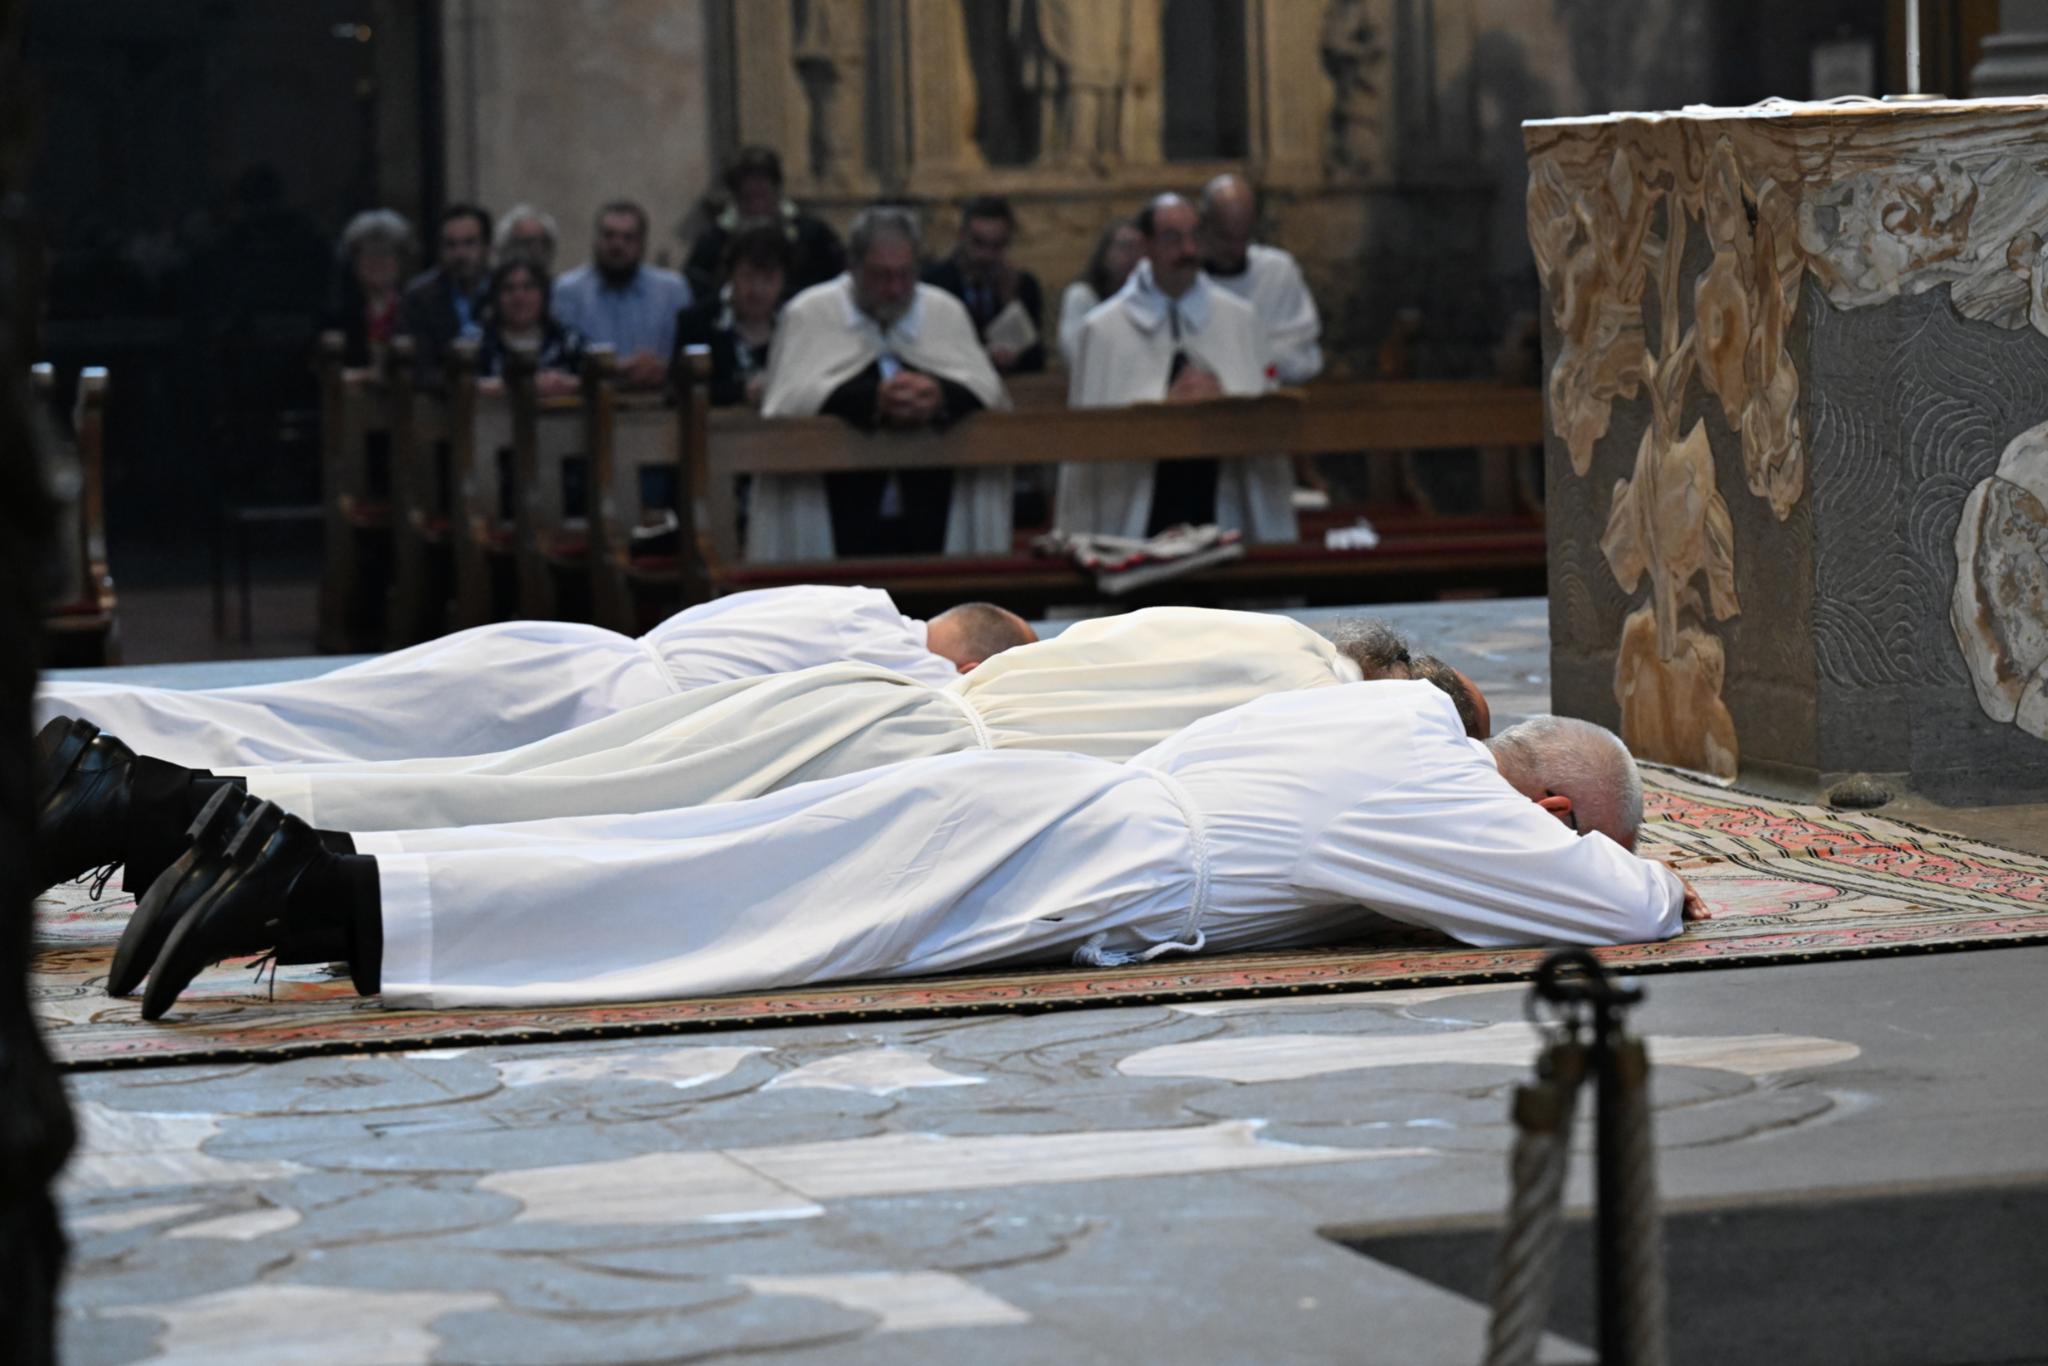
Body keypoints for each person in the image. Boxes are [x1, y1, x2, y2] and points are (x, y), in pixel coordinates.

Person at [114, 683, 1702, 1020]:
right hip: (1066, 857)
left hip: (1037, 804)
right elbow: (1611, 913)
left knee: (692, 863)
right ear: (1547, 806)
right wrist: (1669, 876)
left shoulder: (1380, 717)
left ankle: (306, 871)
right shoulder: (1444, 793)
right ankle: (311, 884)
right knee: (710, 915)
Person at [42, 610, 1464, 900]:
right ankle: (156, 803)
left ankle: (150, 796)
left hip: (872, 707)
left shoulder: (1251, 624)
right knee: (524, 821)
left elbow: (1028, 655)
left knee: (520, 796)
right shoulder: (1329, 713)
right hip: (895, 756)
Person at [34, 588, 1025, 771]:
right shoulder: (910, 683)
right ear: (972, 665)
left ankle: (65, 718)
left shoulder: (855, 600)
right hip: (586, 712)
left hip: (562, 651)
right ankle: (68, 730)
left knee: (307, 718)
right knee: (312, 743)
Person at [751, 205, 1010, 560]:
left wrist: (939, 395)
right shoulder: (811, 313)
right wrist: (872, 399)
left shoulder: (942, 311)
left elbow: (986, 392)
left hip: (931, 509)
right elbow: (788, 403)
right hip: (837, 509)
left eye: (905, 275)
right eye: (880, 276)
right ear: (853, 266)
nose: (895, 288)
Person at [1058, 193, 1294, 543]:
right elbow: (1092, 437)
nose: (1187, 251)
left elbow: (1264, 414)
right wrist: (1165, 408)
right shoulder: (1104, 330)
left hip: (1219, 496)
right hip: (1138, 509)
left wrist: (1224, 398)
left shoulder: (1240, 320)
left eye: (1194, 236)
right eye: (1172, 238)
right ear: (1145, 245)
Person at [551, 201, 692, 391]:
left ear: (642, 244)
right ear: (596, 240)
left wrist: (661, 367)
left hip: (658, 402)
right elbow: (561, 359)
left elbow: (688, 356)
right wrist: (619, 370)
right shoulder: (567, 291)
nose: (617, 245)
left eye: (628, 238)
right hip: (589, 405)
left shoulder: (673, 290)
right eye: (609, 236)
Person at [1198, 173, 1324, 385]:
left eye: (1243, 237)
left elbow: (1301, 356)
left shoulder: (1277, 272)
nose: (1235, 249)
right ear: (1204, 225)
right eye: (1225, 237)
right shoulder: (1182, 277)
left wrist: (1255, 365)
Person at [683, 146, 846, 300]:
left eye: (762, 196)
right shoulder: (713, 243)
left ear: (777, 192)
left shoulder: (814, 236)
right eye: (748, 198)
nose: (757, 207)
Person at [922, 195, 1046, 375]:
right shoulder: (933, 283)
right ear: (961, 237)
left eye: (997, 246)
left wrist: (1009, 303)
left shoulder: (1023, 285)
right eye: (978, 243)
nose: (987, 255)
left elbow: (1034, 360)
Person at [671, 221, 788, 408]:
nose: (757, 290)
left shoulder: (794, 322)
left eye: (769, 279)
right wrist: (740, 392)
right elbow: (676, 393)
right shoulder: (697, 320)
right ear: (730, 275)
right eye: (747, 276)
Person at [401, 203, 492, 381]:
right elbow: (419, 367)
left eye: (469, 243)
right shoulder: (419, 298)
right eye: (451, 245)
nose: (460, 253)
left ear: (487, 248)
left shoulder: (505, 290)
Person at [474, 258, 586, 395]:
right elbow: (456, 387)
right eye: (509, 288)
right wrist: (508, 387)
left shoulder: (569, 341)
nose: (519, 296)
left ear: (544, 295)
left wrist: (566, 383)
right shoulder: (476, 342)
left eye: (528, 287)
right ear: (495, 297)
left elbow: (594, 381)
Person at [323, 209, 412, 369]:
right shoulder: (336, 313)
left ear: (401, 260)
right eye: (368, 252)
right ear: (354, 261)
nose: (377, 261)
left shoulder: (416, 310)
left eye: (386, 252)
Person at [1059, 216, 1143, 367]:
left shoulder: (1148, 295)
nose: (1133, 255)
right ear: (1105, 254)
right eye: (1125, 246)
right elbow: (1075, 355)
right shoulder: (1081, 295)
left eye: (1139, 248)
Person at [492, 204, 559, 274]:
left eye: (544, 242)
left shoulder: (558, 284)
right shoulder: (489, 283)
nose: (537, 248)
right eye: (528, 242)